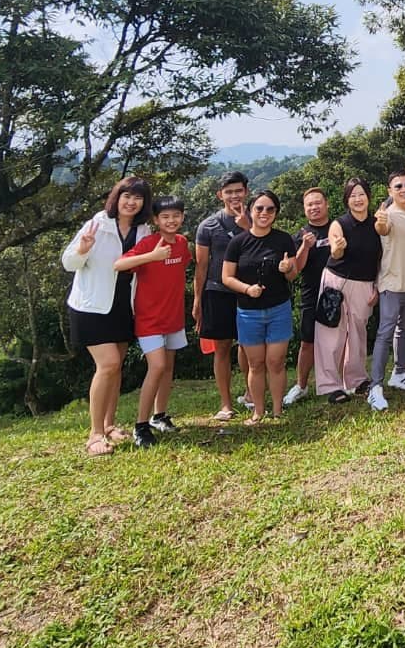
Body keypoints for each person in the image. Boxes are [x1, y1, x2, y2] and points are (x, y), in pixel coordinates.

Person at [62, 176, 153, 456]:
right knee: (109, 364)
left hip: (123, 305)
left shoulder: (143, 230)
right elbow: (68, 263)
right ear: (117, 197)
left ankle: (110, 424)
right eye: (127, 196)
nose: (131, 202)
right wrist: (82, 249)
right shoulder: (97, 224)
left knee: (117, 367)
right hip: (91, 306)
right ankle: (95, 434)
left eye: (137, 198)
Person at [114, 194, 191, 448]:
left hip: (173, 317)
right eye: (165, 217)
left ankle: (160, 416)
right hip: (149, 320)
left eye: (176, 216)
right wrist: (151, 257)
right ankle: (141, 425)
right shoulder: (148, 243)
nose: (171, 221)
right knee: (156, 367)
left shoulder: (182, 243)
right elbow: (120, 264)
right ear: (156, 219)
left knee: (168, 368)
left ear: (182, 216)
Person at [221, 189, 298, 424]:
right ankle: (258, 411)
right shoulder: (238, 242)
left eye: (270, 209)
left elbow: (293, 275)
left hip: (279, 309)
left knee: (276, 361)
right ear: (250, 211)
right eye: (259, 208)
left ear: (276, 213)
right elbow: (226, 277)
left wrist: (288, 269)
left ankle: (277, 410)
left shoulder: (284, 239)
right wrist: (246, 289)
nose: (264, 213)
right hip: (248, 312)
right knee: (255, 364)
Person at [316, 178, 381, 402]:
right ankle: (330, 386)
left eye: (361, 194)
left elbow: (382, 258)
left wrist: (378, 286)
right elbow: (335, 253)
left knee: (358, 333)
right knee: (330, 333)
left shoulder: (377, 224)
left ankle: (356, 380)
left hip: (365, 284)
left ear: (369, 197)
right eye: (353, 195)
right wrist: (337, 248)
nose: (358, 199)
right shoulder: (339, 224)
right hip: (336, 282)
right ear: (346, 200)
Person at [193, 170, 250, 420]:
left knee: (249, 346)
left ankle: (251, 394)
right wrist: (197, 300)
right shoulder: (208, 226)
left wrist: (248, 226)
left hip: (249, 291)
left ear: (246, 192)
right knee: (222, 347)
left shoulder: (259, 217)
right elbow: (201, 266)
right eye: (229, 192)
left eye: (238, 191)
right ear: (220, 195)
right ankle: (226, 403)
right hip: (217, 291)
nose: (234, 196)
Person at [369, 170, 405, 411]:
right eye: (398, 186)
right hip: (391, 285)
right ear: (389, 190)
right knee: (385, 333)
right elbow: (382, 228)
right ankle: (375, 387)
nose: (404, 189)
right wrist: (380, 221)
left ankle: (400, 373)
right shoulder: (387, 215)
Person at [285, 188, 333, 406]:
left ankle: (340, 381)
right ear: (304, 209)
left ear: (327, 204)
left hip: (337, 291)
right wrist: (305, 246)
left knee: (340, 340)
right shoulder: (300, 234)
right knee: (308, 342)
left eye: (318, 203)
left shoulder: (338, 227)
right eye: (309, 205)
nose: (314, 207)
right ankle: (301, 385)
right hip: (310, 292)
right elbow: (295, 270)